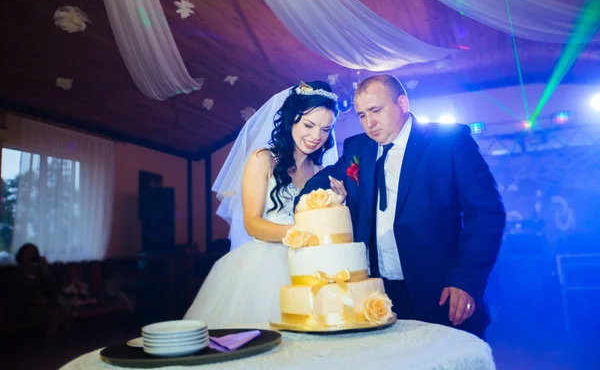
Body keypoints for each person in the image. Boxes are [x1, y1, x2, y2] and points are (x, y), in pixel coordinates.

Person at [297, 74, 505, 338]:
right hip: (378, 297)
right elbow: (321, 181)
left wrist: (466, 280)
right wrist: (313, 197)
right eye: (361, 115)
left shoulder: (450, 141)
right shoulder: (358, 147)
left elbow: (487, 214)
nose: (369, 123)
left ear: (403, 103)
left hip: (440, 290)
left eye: (376, 110)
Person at [184, 81, 344, 328]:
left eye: (325, 129)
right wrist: (297, 234)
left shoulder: (321, 172)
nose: (316, 137)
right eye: (309, 125)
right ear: (292, 120)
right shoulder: (263, 159)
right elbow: (252, 223)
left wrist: (337, 204)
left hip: (311, 266)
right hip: (265, 267)